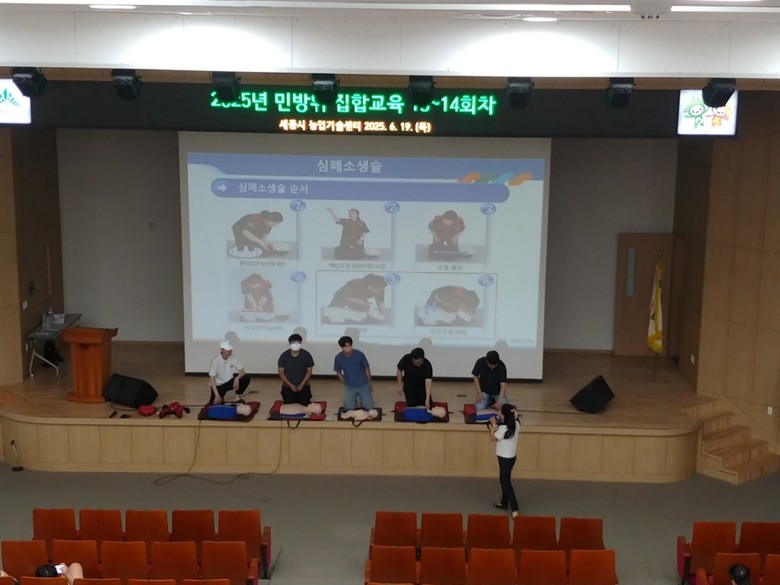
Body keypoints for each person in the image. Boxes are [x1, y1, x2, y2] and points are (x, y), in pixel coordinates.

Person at [488, 403, 521, 518]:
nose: (500, 414)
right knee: (505, 479)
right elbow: (515, 416)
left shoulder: (503, 429)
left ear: (505, 415)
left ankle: (515, 509)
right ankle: (504, 502)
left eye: (501, 413)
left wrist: (493, 426)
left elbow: (492, 438)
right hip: (511, 458)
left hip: (503, 458)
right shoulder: (516, 425)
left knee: (505, 482)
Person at [333, 335, 374, 409]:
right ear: (341, 347)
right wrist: (344, 383)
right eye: (346, 346)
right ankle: (353, 399)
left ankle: (362, 399)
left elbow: (367, 369)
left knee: (369, 407)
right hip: (350, 386)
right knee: (348, 407)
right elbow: (338, 371)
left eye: (350, 346)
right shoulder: (338, 358)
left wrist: (369, 383)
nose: (348, 348)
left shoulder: (359, 354)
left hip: (363, 384)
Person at [208, 340, 251, 404]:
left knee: (246, 378)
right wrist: (217, 394)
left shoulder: (233, 357)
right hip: (219, 385)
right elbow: (212, 379)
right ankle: (218, 395)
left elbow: (242, 371)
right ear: (221, 350)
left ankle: (236, 398)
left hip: (230, 381)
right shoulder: (215, 361)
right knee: (215, 404)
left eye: (231, 350)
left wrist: (237, 378)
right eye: (228, 350)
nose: (230, 352)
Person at [278, 333, 315, 405]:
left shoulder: (306, 355)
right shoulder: (284, 356)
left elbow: (309, 371)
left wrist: (302, 384)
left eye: (298, 342)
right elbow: (281, 373)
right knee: (290, 404)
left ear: (301, 343)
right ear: (289, 343)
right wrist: (291, 385)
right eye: (293, 342)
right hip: (288, 386)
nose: (296, 344)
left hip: (304, 385)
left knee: (304, 403)